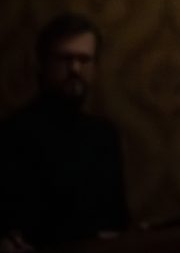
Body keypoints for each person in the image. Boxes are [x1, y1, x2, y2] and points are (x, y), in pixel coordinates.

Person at [0, 13, 130, 252]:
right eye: (64, 59)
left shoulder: (104, 136)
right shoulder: (12, 135)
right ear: (43, 64)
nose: (75, 69)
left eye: (84, 60)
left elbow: (117, 221)